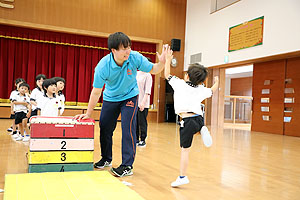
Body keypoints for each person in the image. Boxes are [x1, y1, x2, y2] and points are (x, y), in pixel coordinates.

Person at [75, 32, 167, 177]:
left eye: (129, 47)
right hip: (110, 98)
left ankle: (127, 166)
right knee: (105, 127)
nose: (128, 51)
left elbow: (154, 69)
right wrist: (88, 113)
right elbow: (96, 92)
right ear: (113, 50)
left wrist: (162, 62)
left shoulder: (134, 57)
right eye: (124, 48)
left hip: (130, 96)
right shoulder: (103, 66)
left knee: (128, 128)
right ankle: (106, 158)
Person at [164, 47, 219, 187]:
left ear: (187, 76)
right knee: (197, 127)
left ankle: (182, 177)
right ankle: (202, 129)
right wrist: (217, 81)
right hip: (199, 118)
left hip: (187, 121)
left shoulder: (180, 84)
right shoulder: (202, 89)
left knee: (185, 150)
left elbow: (167, 74)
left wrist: (168, 60)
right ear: (201, 81)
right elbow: (213, 89)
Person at [136, 58, 153, 147]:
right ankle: (135, 139)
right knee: (135, 122)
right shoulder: (137, 73)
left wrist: (142, 103)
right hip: (135, 102)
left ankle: (142, 139)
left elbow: (147, 91)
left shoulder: (148, 75)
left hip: (143, 103)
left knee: (142, 122)